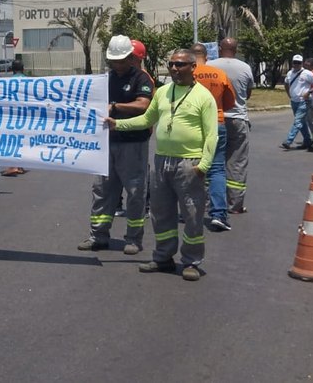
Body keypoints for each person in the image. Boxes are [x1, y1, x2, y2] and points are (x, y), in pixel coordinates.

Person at [107, 48, 218, 281]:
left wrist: (204, 165)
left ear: (192, 67)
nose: (175, 69)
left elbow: (211, 135)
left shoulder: (203, 96)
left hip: (190, 163)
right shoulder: (164, 92)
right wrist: (118, 124)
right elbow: (147, 120)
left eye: (181, 65)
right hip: (161, 161)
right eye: (172, 65)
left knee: (192, 214)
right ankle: (163, 257)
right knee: (161, 213)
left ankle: (191, 262)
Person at [79, 35, 153, 255]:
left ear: (131, 58)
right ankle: (98, 235)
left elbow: (143, 105)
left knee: (134, 191)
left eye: (120, 60)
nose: (116, 64)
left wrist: (115, 107)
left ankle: (134, 238)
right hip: (106, 143)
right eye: (113, 61)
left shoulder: (142, 78)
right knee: (102, 191)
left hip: (133, 143)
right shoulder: (105, 79)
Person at [191, 43, 237, 232]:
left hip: (192, 124)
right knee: (217, 169)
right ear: (206, 56)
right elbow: (230, 103)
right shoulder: (219, 74)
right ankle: (218, 214)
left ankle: (190, 210)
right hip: (216, 122)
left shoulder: (187, 74)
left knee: (189, 165)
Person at [208, 37, 254, 215]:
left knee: (211, 160)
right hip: (237, 118)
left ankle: (207, 201)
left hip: (214, 117)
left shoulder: (210, 66)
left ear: (220, 48)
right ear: (236, 49)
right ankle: (235, 204)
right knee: (237, 162)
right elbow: (247, 93)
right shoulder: (245, 67)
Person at [281, 54, 313, 150]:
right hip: (294, 101)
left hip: (303, 101)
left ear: (302, 63)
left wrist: (309, 92)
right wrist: (289, 94)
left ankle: (288, 140)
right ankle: (307, 140)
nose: (296, 64)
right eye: (295, 62)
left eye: (298, 63)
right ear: (292, 63)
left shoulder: (307, 73)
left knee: (297, 121)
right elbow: (286, 83)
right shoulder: (289, 73)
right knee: (301, 122)